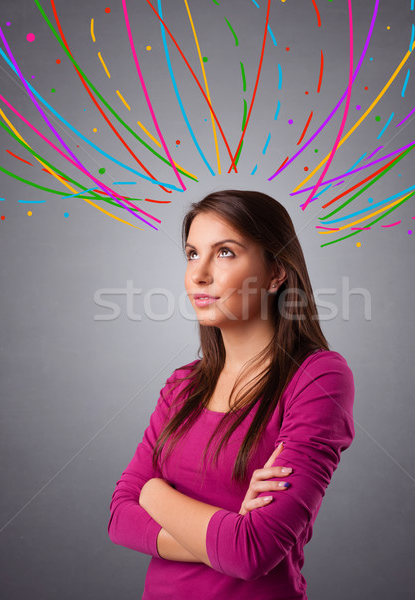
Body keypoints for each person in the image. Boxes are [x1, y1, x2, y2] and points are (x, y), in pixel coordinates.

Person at [108, 189, 356, 599]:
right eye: (191, 253)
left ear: (277, 273)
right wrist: (223, 532)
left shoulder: (317, 377)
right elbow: (120, 516)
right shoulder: (182, 385)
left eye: (225, 253)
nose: (199, 274)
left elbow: (252, 552)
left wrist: (154, 494)